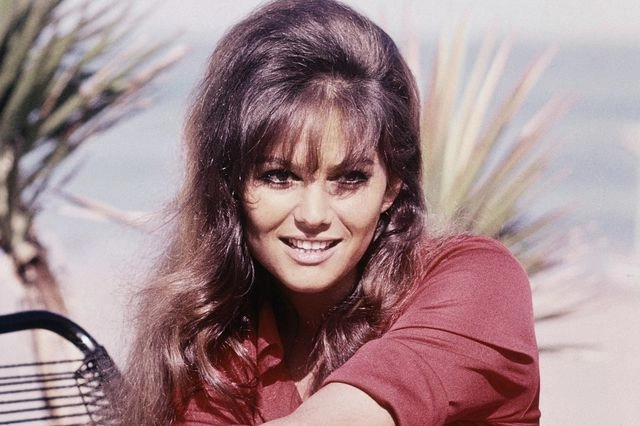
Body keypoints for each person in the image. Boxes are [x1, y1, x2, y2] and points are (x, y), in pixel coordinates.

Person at [116, 0, 540, 424]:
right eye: (279, 176)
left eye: (349, 179)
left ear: (392, 186)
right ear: (230, 184)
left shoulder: (480, 283)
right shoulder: (216, 341)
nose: (314, 214)